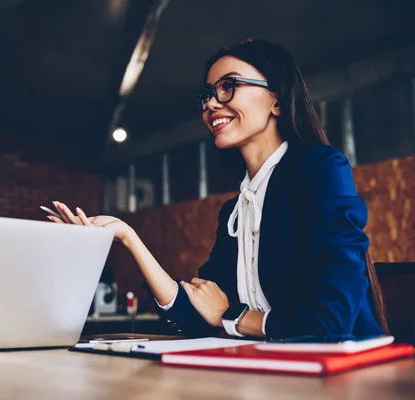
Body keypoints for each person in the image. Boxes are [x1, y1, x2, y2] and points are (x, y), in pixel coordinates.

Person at [48, 38, 388, 339]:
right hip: (273, 376)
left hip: (344, 376)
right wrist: (128, 237)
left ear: (277, 101)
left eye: (228, 86)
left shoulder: (320, 170)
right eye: (207, 94)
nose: (210, 104)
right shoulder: (235, 211)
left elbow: (332, 318)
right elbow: (199, 315)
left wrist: (233, 317)